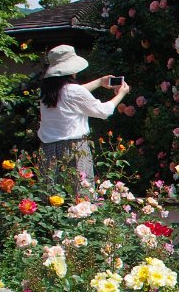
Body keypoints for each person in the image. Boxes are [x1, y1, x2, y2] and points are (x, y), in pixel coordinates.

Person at [38, 44, 128, 188]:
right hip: (73, 149)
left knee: (52, 194)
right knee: (80, 194)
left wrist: (99, 82)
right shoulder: (73, 91)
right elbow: (103, 111)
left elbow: (71, 93)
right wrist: (121, 94)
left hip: (48, 151)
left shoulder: (46, 92)